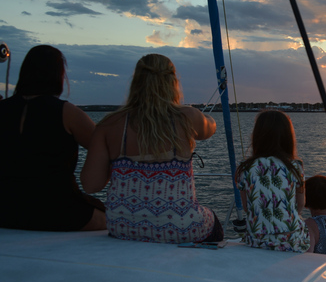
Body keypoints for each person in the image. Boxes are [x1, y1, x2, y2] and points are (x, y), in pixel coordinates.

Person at [80, 54, 222, 243]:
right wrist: (209, 120)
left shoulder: (109, 124)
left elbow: (91, 185)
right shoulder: (187, 117)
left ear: (137, 82)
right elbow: (209, 128)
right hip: (180, 228)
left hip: (123, 227)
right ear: (172, 82)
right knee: (214, 223)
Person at [0, 45, 106, 231]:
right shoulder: (68, 113)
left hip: (6, 209)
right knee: (115, 220)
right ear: (58, 75)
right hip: (57, 210)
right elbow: (104, 149)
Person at [236, 110, 309, 252]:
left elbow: (246, 207)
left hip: (256, 240)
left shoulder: (245, 168)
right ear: (287, 136)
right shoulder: (295, 166)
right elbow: (300, 205)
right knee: (309, 231)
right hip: (290, 240)